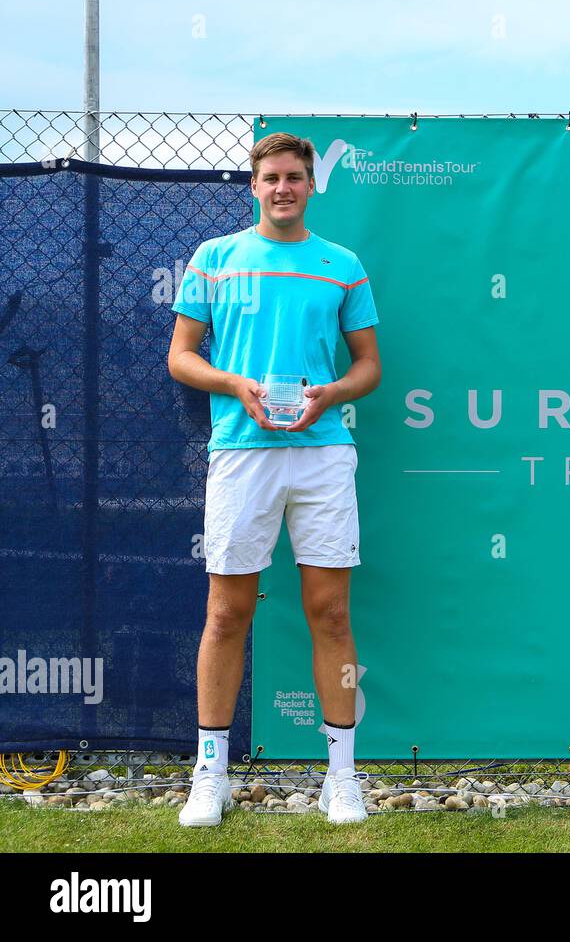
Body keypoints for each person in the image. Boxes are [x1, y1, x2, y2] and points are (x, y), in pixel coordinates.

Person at [167, 132, 381, 826]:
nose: (283, 187)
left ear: (311, 184)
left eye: (294, 177)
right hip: (240, 452)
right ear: (253, 186)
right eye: (271, 178)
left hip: (323, 454)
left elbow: (368, 368)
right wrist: (235, 384)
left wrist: (330, 395)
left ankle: (342, 777)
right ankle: (210, 776)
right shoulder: (215, 260)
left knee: (331, 613)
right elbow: (181, 357)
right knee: (227, 614)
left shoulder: (342, 265)